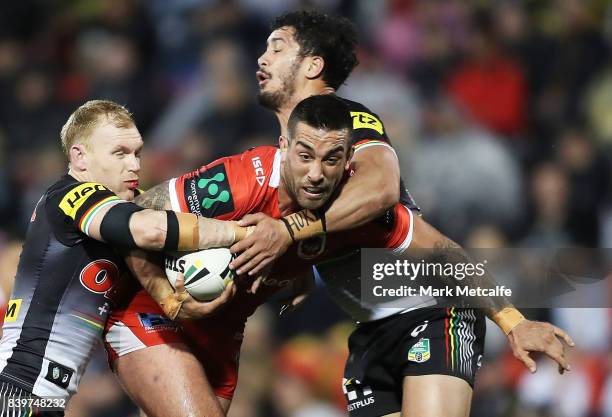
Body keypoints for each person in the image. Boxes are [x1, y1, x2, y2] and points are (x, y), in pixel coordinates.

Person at [222, 11, 574, 417]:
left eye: (277, 47)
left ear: (313, 65)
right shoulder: (291, 156)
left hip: (435, 309)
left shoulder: (349, 119)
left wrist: (513, 322)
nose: (261, 59)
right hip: (370, 330)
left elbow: (382, 190)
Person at [103, 94, 360, 417]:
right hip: (152, 313)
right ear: (284, 146)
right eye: (305, 156)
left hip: (223, 336)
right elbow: (131, 218)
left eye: (331, 159)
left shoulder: (352, 203)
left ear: (348, 158)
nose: (315, 173)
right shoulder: (242, 181)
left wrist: (300, 265)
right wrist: (167, 298)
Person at [0, 100, 242, 417]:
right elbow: (151, 230)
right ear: (80, 157)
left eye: (137, 152)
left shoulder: (115, 217)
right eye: (120, 153)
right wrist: (248, 234)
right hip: (19, 392)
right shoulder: (71, 195)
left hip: (39, 399)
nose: (135, 165)